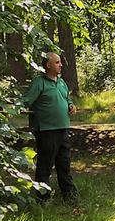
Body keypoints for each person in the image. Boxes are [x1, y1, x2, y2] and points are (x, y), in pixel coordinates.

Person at [21, 52, 78, 203]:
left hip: (63, 129)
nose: (61, 65)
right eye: (57, 62)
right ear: (48, 65)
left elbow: (67, 99)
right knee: (45, 166)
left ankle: (69, 195)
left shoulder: (61, 82)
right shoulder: (39, 82)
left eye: (60, 62)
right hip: (46, 130)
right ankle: (42, 199)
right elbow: (25, 101)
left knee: (64, 164)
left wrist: (71, 105)